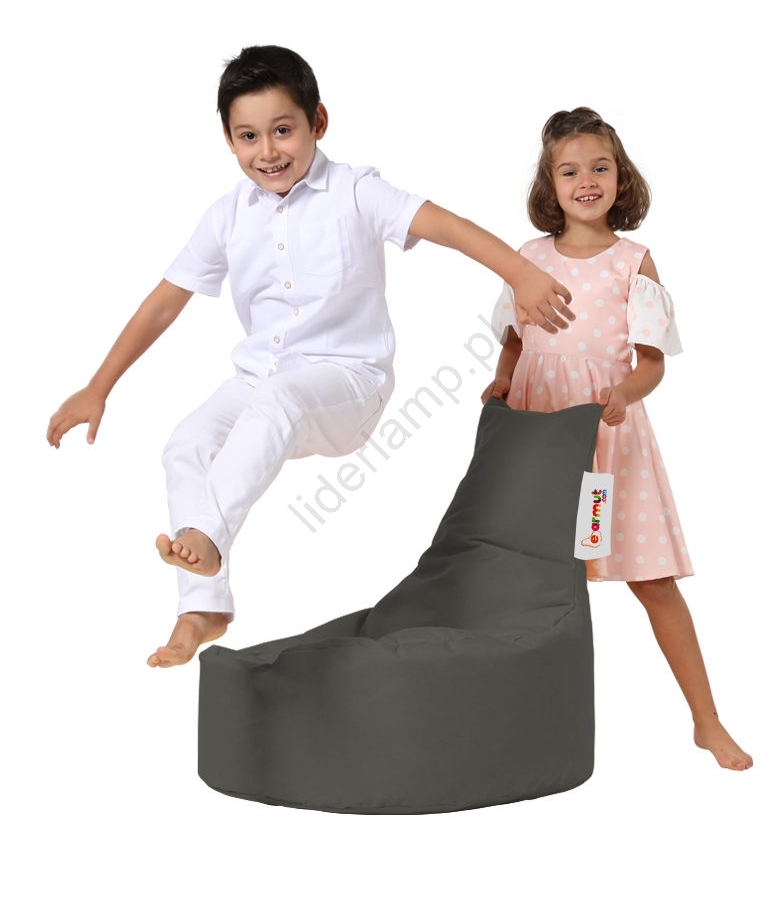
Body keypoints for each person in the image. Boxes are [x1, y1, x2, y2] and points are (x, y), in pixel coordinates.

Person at [46, 45, 575, 669]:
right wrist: (99, 386)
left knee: (280, 400)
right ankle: (202, 607)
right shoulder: (227, 216)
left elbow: (446, 226)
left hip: (347, 386)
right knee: (186, 443)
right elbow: (165, 302)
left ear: (317, 122)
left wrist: (520, 274)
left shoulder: (356, 192)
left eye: (283, 130)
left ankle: (208, 535)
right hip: (261, 382)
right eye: (248, 136)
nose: (267, 151)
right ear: (228, 139)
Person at [482, 107, 752, 771]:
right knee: (529, 580)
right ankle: (513, 723)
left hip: (604, 447)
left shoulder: (633, 262)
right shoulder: (528, 258)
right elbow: (515, 340)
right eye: (570, 171)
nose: (587, 181)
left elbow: (651, 361)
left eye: (600, 168)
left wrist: (625, 393)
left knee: (650, 580)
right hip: (538, 438)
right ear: (549, 185)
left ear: (620, 176)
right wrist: (503, 379)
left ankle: (707, 719)